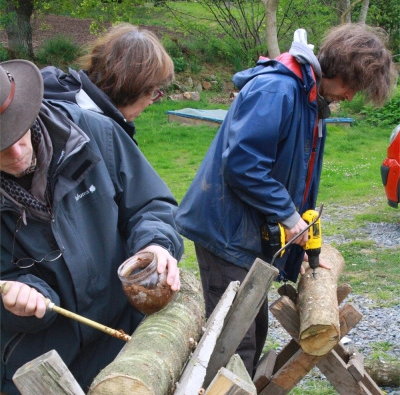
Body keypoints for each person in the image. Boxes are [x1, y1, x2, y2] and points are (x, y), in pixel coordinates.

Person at [175, 23, 398, 376]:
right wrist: (289, 216)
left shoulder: (308, 98)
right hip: (226, 233)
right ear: (340, 68)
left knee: (253, 331)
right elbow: (243, 164)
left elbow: (292, 177)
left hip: (247, 234)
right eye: (353, 86)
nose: (351, 96)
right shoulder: (277, 90)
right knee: (234, 343)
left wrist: (304, 254)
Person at [0, 59, 183, 394]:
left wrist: (156, 244)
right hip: (37, 371)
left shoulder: (93, 133)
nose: (14, 150)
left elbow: (151, 205)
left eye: (18, 129)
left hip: (123, 346)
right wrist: (13, 299)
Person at [41, 23, 175, 142]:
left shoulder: (53, 97)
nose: (150, 102)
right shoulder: (91, 133)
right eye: (152, 92)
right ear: (134, 87)